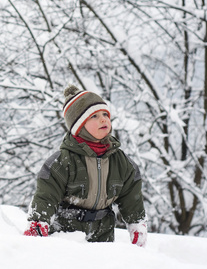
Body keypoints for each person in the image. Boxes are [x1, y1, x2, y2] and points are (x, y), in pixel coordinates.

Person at [24, 85, 147, 247]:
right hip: (67, 233)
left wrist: (136, 224)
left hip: (103, 233)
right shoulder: (62, 161)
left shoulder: (120, 161)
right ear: (79, 126)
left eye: (105, 114)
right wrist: (39, 222)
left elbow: (132, 195)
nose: (103, 119)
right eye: (94, 116)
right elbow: (47, 194)